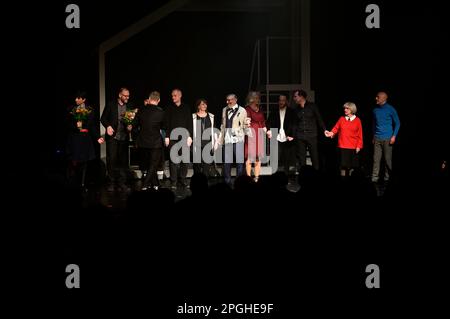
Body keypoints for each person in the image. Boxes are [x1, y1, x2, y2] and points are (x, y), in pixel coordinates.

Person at [66, 91, 104, 189]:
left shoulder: (90, 110)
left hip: (84, 139)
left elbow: (92, 126)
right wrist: (76, 126)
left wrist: (97, 137)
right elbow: (67, 124)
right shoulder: (71, 109)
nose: (76, 100)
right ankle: (72, 181)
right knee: (74, 161)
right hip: (74, 138)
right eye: (75, 98)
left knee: (84, 162)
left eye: (78, 98)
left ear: (84, 99)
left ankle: (82, 183)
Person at [100, 87, 133, 192]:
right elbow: (103, 118)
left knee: (123, 161)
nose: (127, 97)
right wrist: (108, 126)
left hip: (124, 138)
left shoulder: (129, 106)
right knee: (112, 160)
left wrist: (131, 126)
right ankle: (111, 182)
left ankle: (122, 183)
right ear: (120, 95)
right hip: (113, 137)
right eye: (125, 96)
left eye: (128, 95)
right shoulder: (111, 104)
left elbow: (134, 120)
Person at [132, 91, 165, 190]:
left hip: (143, 142)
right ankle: (145, 184)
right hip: (155, 142)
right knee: (153, 164)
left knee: (151, 165)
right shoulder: (161, 112)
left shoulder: (141, 111)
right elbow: (164, 126)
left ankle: (156, 184)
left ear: (149, 99)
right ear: (158, 100)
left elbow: (134, 125)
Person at [164, 88, 193, 189]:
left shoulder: (186, 107)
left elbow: (189, 122)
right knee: (173, 161)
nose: (173, 97)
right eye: (172, 96)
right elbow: (166, 123)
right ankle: (173, 181)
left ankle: (183, 179)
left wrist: (190, 136)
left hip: (184, 138)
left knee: (184, 161)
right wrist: (167, 136)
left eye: (175, 95)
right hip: (172, 138)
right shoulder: (169, 108)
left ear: (180, 96)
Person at [325, 102, 363, 177]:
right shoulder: (341, 119)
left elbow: (360, 134)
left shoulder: (357, 120)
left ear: (352, 109)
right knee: (343, 166)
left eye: (347, 108)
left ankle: (351, 181)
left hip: (353, 147)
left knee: (352, 166)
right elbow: (335, 128)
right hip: (342, 146)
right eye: (344, 108)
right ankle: (343, 182)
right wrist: (331, 133)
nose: (345, 110)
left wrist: (359, 146)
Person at [218, 94, 248, 186]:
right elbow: (223, 125)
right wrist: (221, 138)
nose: (228, 102)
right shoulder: (224, 109)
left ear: (235, 100)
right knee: (227, 162)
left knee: (239, 162)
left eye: (229, 100)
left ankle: (239, 182)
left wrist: (243, 129)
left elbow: (245, 124)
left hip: (238, 138)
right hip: (227, 138)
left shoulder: (242, 110)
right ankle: (227, 181)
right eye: (227, 100)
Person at [292, 89, 326, 171]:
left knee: (314, 157)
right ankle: (303, 177)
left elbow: (319, 119)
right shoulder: (296, 109)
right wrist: (292, 136)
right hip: (300, 136)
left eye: (295, 96)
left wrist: (324, 129)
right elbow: (295, 124)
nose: (294, 98)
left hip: (311, 135)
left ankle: (316, 175)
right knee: (301, 159)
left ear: (301, 97)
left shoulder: (312, 106)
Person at [371, 91, 400, 183]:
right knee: (376, 159)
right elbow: (374, 124)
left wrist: (394, 136)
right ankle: (374, 178)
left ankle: (388, 178)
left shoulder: (391, 109)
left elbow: (398, 123)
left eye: (378, 97)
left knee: (387, 160)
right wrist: (373, 136)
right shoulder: (375, 110)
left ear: (383, 98)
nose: (376, 98)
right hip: (377, 138)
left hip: (388, 138)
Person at [267, 94, 296, 176]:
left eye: (283, 100)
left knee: (287, 159)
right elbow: (268, 122)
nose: (281, 102)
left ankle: (286, 177)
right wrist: (269, 130)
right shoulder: (274, 111)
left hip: (287, 137)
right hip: (276, 137)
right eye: (280, 100)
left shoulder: (291, 111)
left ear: (286, 101)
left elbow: (294, 124)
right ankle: (274, 176)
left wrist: (292, 135)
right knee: (275, 158)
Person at [244, 91, 270, 182]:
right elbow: (247, 122)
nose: (258, 99)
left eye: (258, 98)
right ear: (251, 99)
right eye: (256, 98)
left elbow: (263, 122)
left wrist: (267, 131)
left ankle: (257, 177)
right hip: (251, 134)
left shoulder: (260, 109)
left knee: (258, 157)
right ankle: (248, 178)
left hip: (259, 134)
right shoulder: (247, 109)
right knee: (250, 157)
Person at [192, 98, 216, 177]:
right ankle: (197, 181)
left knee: (206, 164)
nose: (204, 105)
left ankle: (205, 181)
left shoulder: (211, 116)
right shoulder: (193, 116)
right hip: (197, 143)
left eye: (205, 104)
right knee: (197, 165)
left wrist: (215, 142)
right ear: (198, 106)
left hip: (208, 143)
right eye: (202, 104)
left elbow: (214, 129)